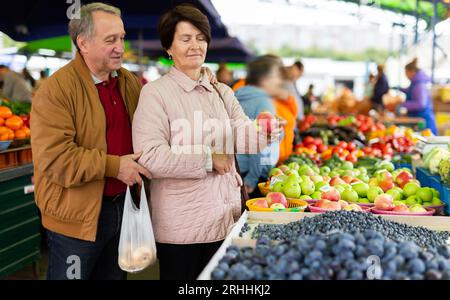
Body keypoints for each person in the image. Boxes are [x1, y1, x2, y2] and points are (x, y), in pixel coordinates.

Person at [132, 4, 283, 280]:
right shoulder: (155, 94)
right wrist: (208, 158)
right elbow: (149, 156)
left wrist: (265, 131)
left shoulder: (221, 91)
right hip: (182, 228)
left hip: (226, 219)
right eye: (185, 38)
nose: (195, 45)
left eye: (201, 38)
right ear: (169, 47)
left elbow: (241, 134)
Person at [30, 3, 149, 280]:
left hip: (123, 209)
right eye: (110, 40)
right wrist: (115, 167)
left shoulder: (129, 82)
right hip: (76, 220)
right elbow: (55, 159)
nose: (120, 46)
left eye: (122, 37)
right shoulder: (56, 91)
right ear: (83, 43)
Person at [235, 56, 282, 197]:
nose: (280, 82)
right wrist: (252, 179)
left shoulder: (236, 95)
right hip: (253, 174)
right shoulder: (264, 103)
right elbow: (260, 144)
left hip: (237, 168)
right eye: (277, 77)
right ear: (265, 79)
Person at [388, 58, 437, 134]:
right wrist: (398, 88)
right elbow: (410, 91)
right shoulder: (416, 83)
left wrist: (402, 104)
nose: (406, 75)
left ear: (411, 72)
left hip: (424, 121)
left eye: (406, 72)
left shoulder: (419, 85)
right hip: (419, 118)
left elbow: (420, 104)